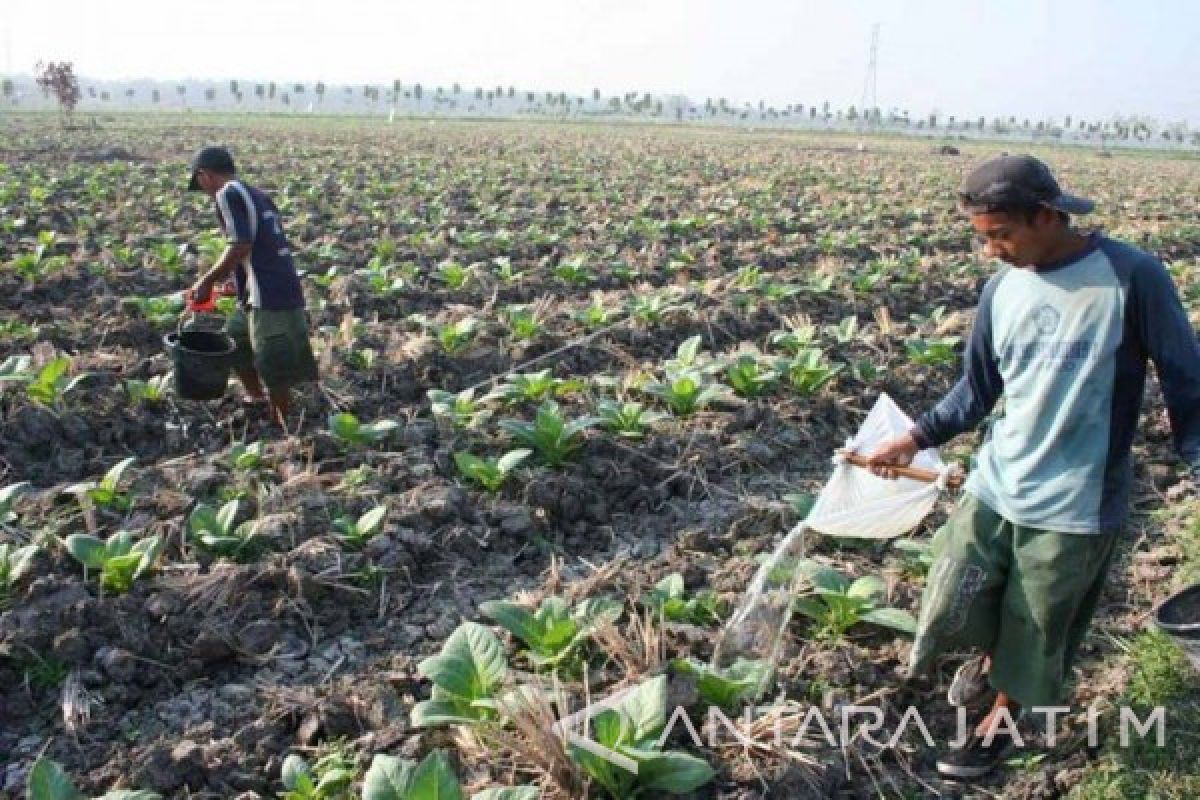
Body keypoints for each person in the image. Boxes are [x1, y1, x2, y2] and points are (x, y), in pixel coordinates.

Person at [866, 154, 1200, 779]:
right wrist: (913, 438)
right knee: (953, 591)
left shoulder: (1131, 276)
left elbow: (1189, 383)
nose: (991, 250)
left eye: (1002, 234)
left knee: (1036, 629)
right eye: (983, 237)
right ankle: (993, 669)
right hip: (996, 482)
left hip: (1076, 500)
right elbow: (976, 390)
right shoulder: (1002, 289)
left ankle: (997, 728)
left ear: (1049, 216)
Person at [186, 146, 318, 428]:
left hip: (269, 292)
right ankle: (256, 398)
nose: (204, 191)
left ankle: (281, 422)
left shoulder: (227, 193)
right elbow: (261, 246)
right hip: (264, 286)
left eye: (200, 184)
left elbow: (240, 243)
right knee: (234, 339)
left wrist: (207, 281)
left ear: (204, 176)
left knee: (272, 357)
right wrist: (238, 281)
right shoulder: (257, 195)